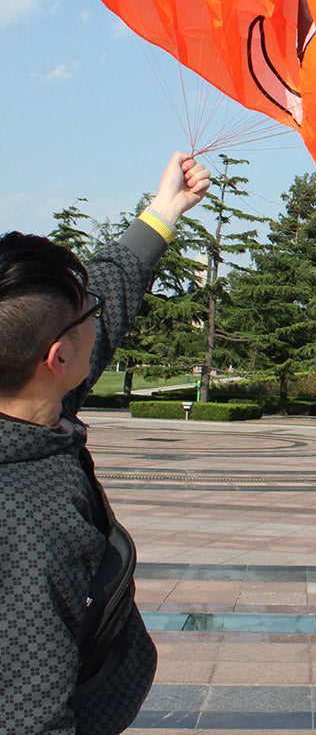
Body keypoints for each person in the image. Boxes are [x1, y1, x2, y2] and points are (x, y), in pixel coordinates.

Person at [0, 153, 210, 735]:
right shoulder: (27, 521)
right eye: (85, 312)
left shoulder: (34, 402)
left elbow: (111, 291)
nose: (102, 316)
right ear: (57, 359)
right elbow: (30, 717)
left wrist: (165, 210)